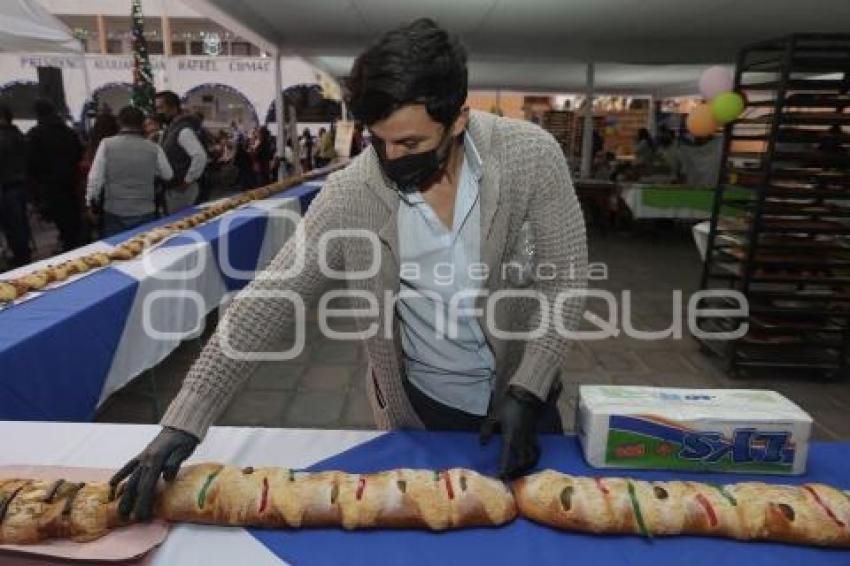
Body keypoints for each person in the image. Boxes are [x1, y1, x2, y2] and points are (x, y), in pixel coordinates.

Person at [111, 18, 587, 521]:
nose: (388, 159)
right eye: (377, 140)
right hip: (421, 413)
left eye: (409, 144)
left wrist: (528, 388)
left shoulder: (530, 156)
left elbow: (567, 281)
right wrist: (184, 421)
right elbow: (268, 300)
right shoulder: (352, 192)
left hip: (524, 405)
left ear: (458, 120)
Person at [85, 106, 173, 237]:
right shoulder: (154, 148)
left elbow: (95, 178)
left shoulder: (106, 144)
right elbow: (168, 174)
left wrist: (90, 203)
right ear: (142, 123)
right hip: (145, 209)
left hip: (114, 210)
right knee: (144, 251)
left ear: (119, 122)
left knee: (116, 251)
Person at [26, 99, 85, 251]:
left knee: (61, 217)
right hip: (71, 180)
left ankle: (70, 245)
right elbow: (79, 153)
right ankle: (77, 241)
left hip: (50, 183)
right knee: (74, 213)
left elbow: (31, 162)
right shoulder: (68, 131)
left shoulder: (35, 134)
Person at [153, 91, 208, 214]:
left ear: (173, 107)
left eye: (161, 108)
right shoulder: (172, 128)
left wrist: (188, 180)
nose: (158, 112)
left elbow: (200, 156)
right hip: (174, 188)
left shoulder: (183, 130)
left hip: (181, 190)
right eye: (157, 108)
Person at [0, 104, 33, 267]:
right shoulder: (19, 134)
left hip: (7, 186)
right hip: (22, 184)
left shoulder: (3, 137)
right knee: (21, 222)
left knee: (13, 225)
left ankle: (21, 257)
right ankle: (24, 253)